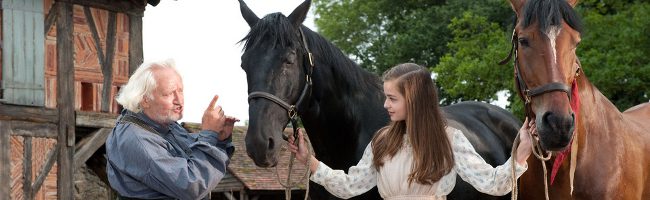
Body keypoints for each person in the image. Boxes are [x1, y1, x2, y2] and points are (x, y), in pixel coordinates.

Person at [288, 63, 534, 199]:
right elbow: (350, 186)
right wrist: (308, 161)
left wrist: (520, 155)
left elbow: (491, 183)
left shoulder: (449, 141)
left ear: (414, 100)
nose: (386, 105)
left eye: (392, 99)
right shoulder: (382, 142)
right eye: (386, 97)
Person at [106, 59, 239, 200]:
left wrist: (218, 139)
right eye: (168, 93)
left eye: (180, 91)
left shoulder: (164, 124)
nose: (179, 100)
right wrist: (208, 135)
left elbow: (192, 156)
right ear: (145, 100)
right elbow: (191, 185)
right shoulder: (137, 139)